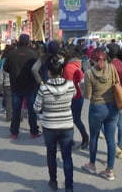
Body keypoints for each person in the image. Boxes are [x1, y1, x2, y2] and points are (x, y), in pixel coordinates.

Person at [34, 55, 76, 192]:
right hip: (67, 126)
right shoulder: (70, 86)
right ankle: (69, 186)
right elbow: (74, 95)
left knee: (51, 154)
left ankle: (53, 181)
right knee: (67, 156)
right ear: (62, 72)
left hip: (50, 127)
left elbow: (36, 108)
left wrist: (43, 114)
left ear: (49, 72)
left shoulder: (44, 89)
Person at [81, 48, 119, 181]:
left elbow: (87, 95)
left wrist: (82, 87)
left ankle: (91, 164)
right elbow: (117, 84)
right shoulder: (112, 68)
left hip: (97, 108)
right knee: (110, 139)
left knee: (94, 137)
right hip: (112, 108)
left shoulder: (89, 73)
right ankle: (109, 170)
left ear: (92, 59)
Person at [3, 34, 40, 139]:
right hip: (30, 86)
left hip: (16, 86)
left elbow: (6, 69)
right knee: (31, 110)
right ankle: (34, 131)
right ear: (28, 42)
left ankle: (14, 132)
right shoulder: (34, 54)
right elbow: (38, 70)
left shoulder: (12, 54)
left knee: (16, 110)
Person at [63, 45, 89, 150]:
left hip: (73, 97)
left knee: (74, 119)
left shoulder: (69, 68)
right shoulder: (77, 64)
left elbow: (68, 86)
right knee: (74, 118)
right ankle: (77, 139)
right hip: (78, 96)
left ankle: (84, 138)